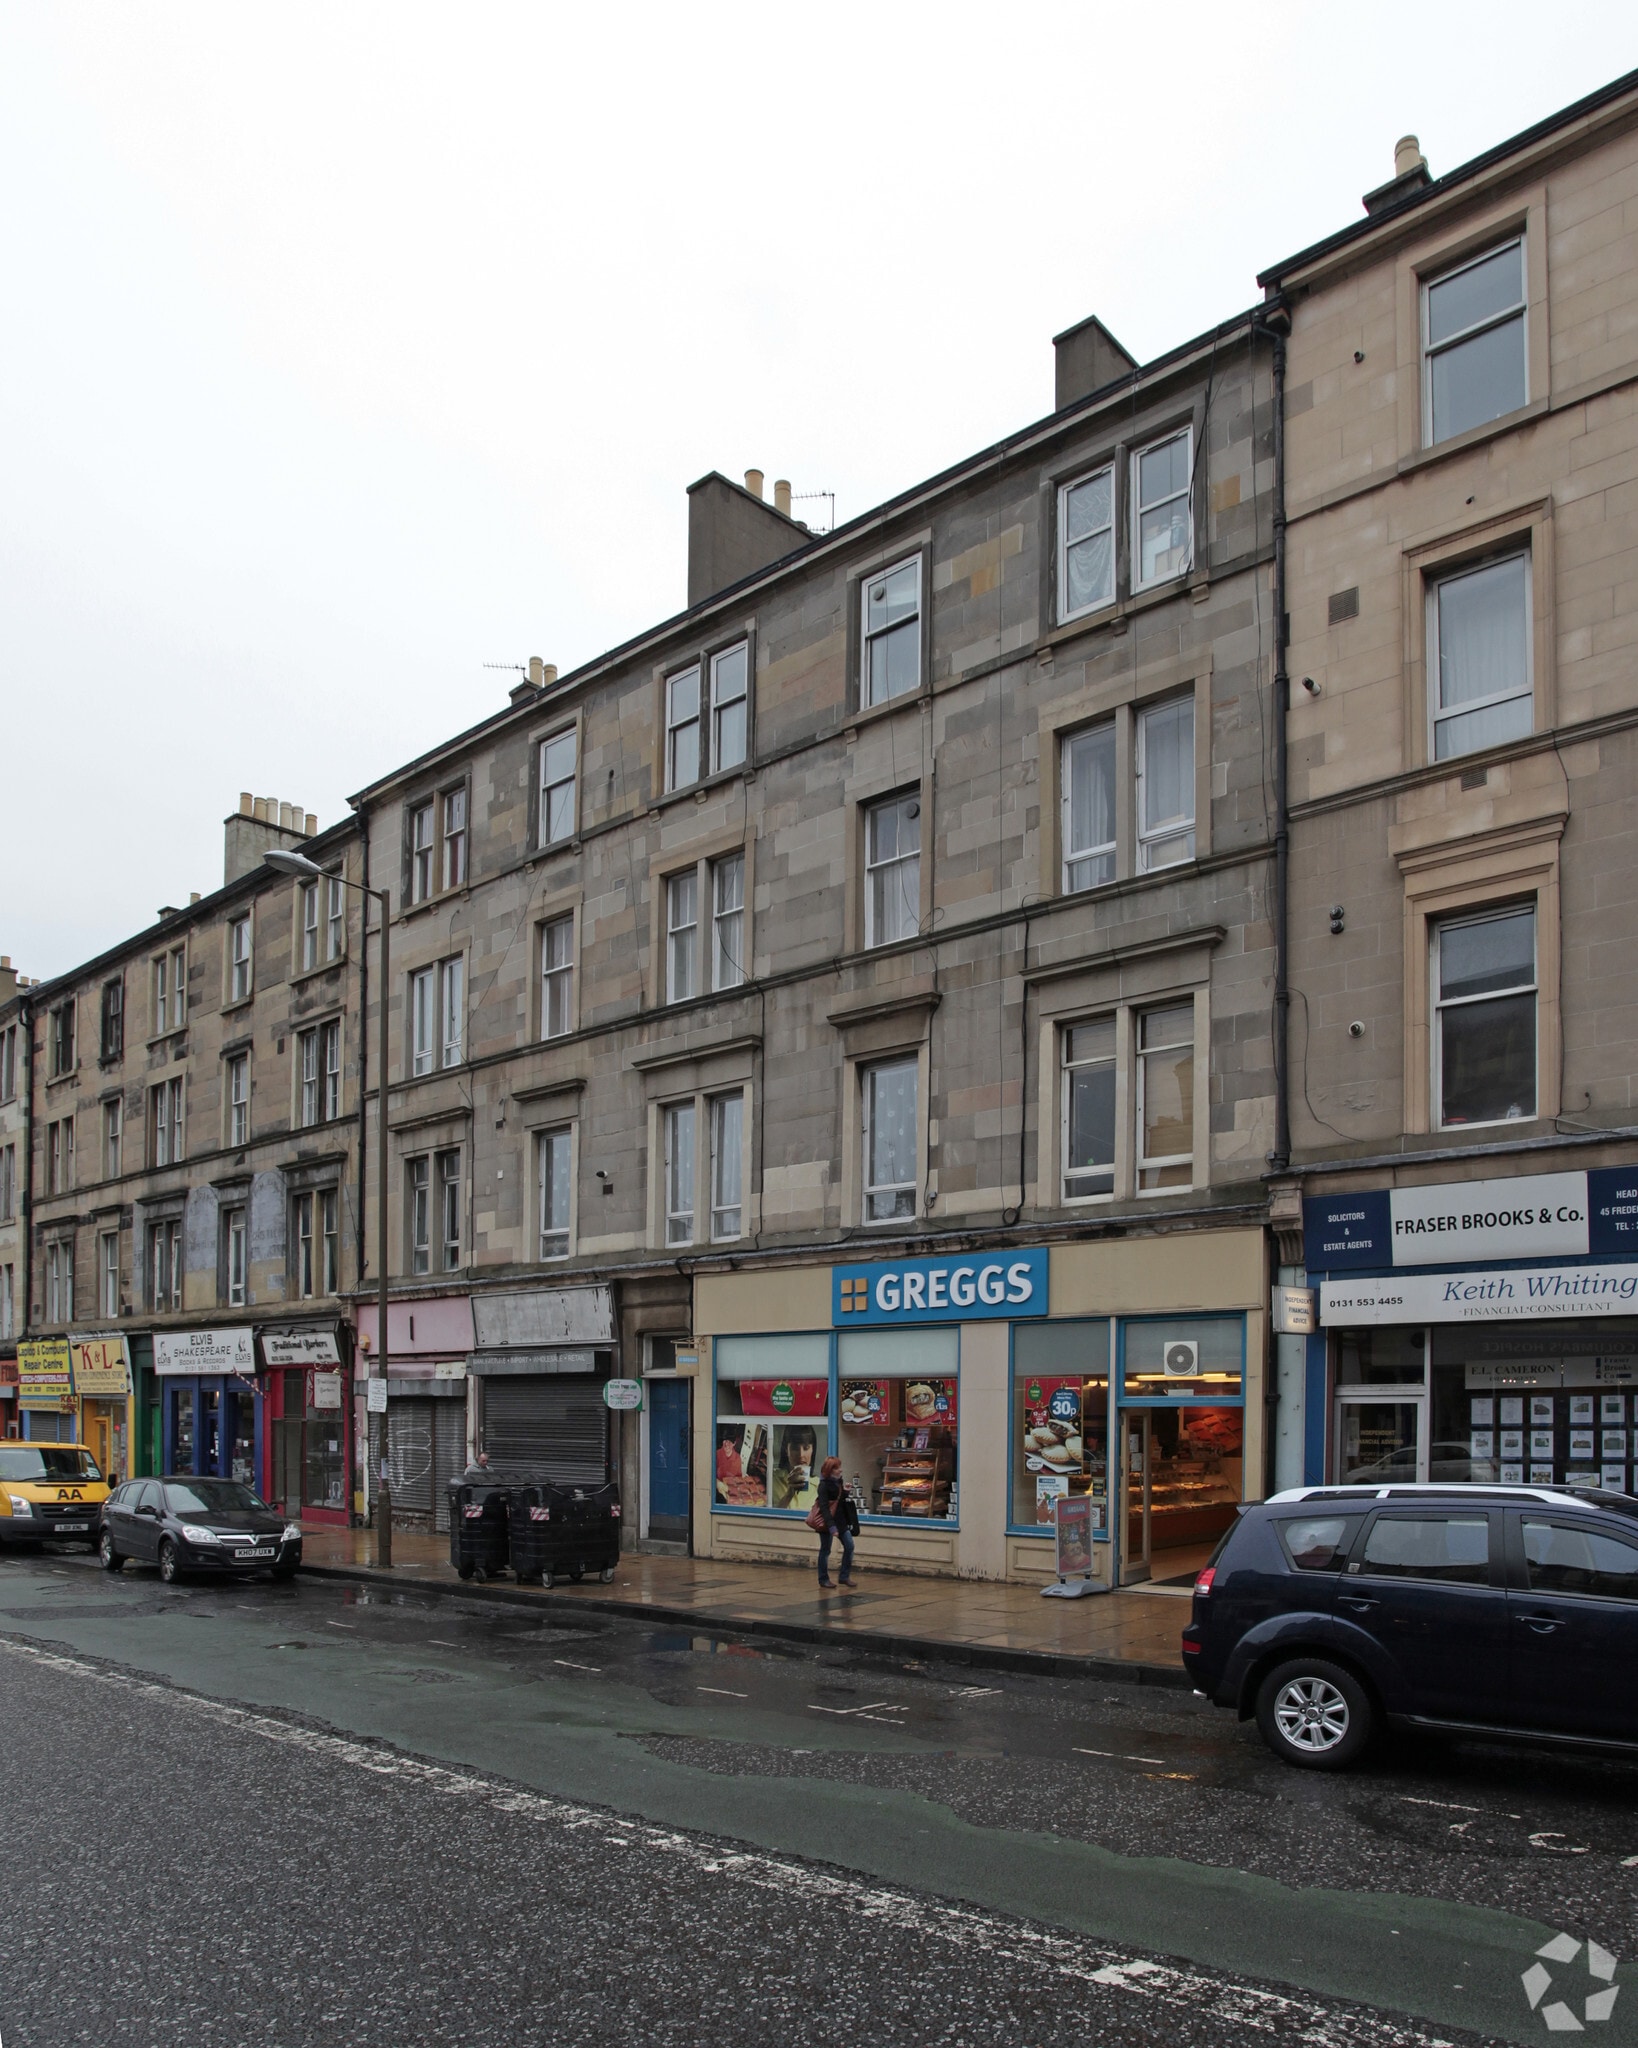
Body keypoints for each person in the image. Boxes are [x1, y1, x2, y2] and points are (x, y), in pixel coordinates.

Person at [815, 1455, 857, 1589]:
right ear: (830, 1470)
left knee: (849, 1546)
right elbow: (824, 1508)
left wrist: (845, 1492)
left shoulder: (838, 1482)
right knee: (825, 1550)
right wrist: (831, 1526)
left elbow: (839, 1501)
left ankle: (844, 1576)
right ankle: (823, 1578)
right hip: (827, 1523)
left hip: (841, 1521)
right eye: (837, 1468)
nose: (840, 1470)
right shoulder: (823, 1486)